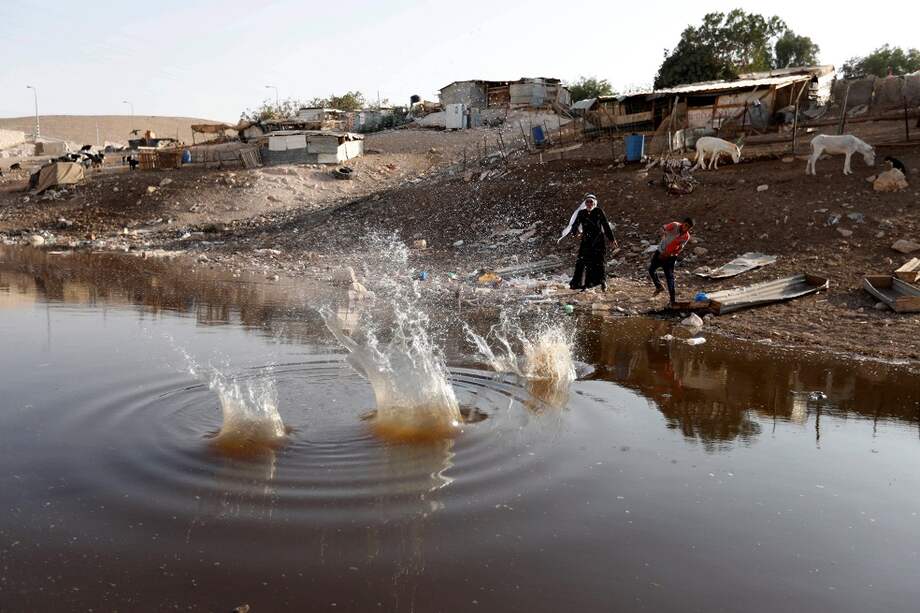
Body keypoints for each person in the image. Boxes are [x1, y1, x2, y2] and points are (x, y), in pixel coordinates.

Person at [564, 194, 616, 291]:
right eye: (587, 202)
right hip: (586, 241)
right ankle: (584, 285)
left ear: (594, 203)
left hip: (598, 241)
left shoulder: (599, 211)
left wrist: (612, 239)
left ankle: (602, 281)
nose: (589, 204)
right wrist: (575, 233)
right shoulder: (581, 213)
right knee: (584, 262)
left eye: (591, 202)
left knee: (599, 262)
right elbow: (575, 225)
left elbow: (605, 225)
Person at [649, 217, 694, 304]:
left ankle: (672, 300)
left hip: (671, 257)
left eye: (689, 228)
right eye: (686, 225)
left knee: (669, 277)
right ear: (683, 223)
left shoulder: (686, 236)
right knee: (651, 270)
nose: (686, 228)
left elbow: (679, 248)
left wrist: (668, 254)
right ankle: (659, 286)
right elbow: (663, 228)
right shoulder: (674, 225)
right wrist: (663, 232)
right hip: (660, 251)